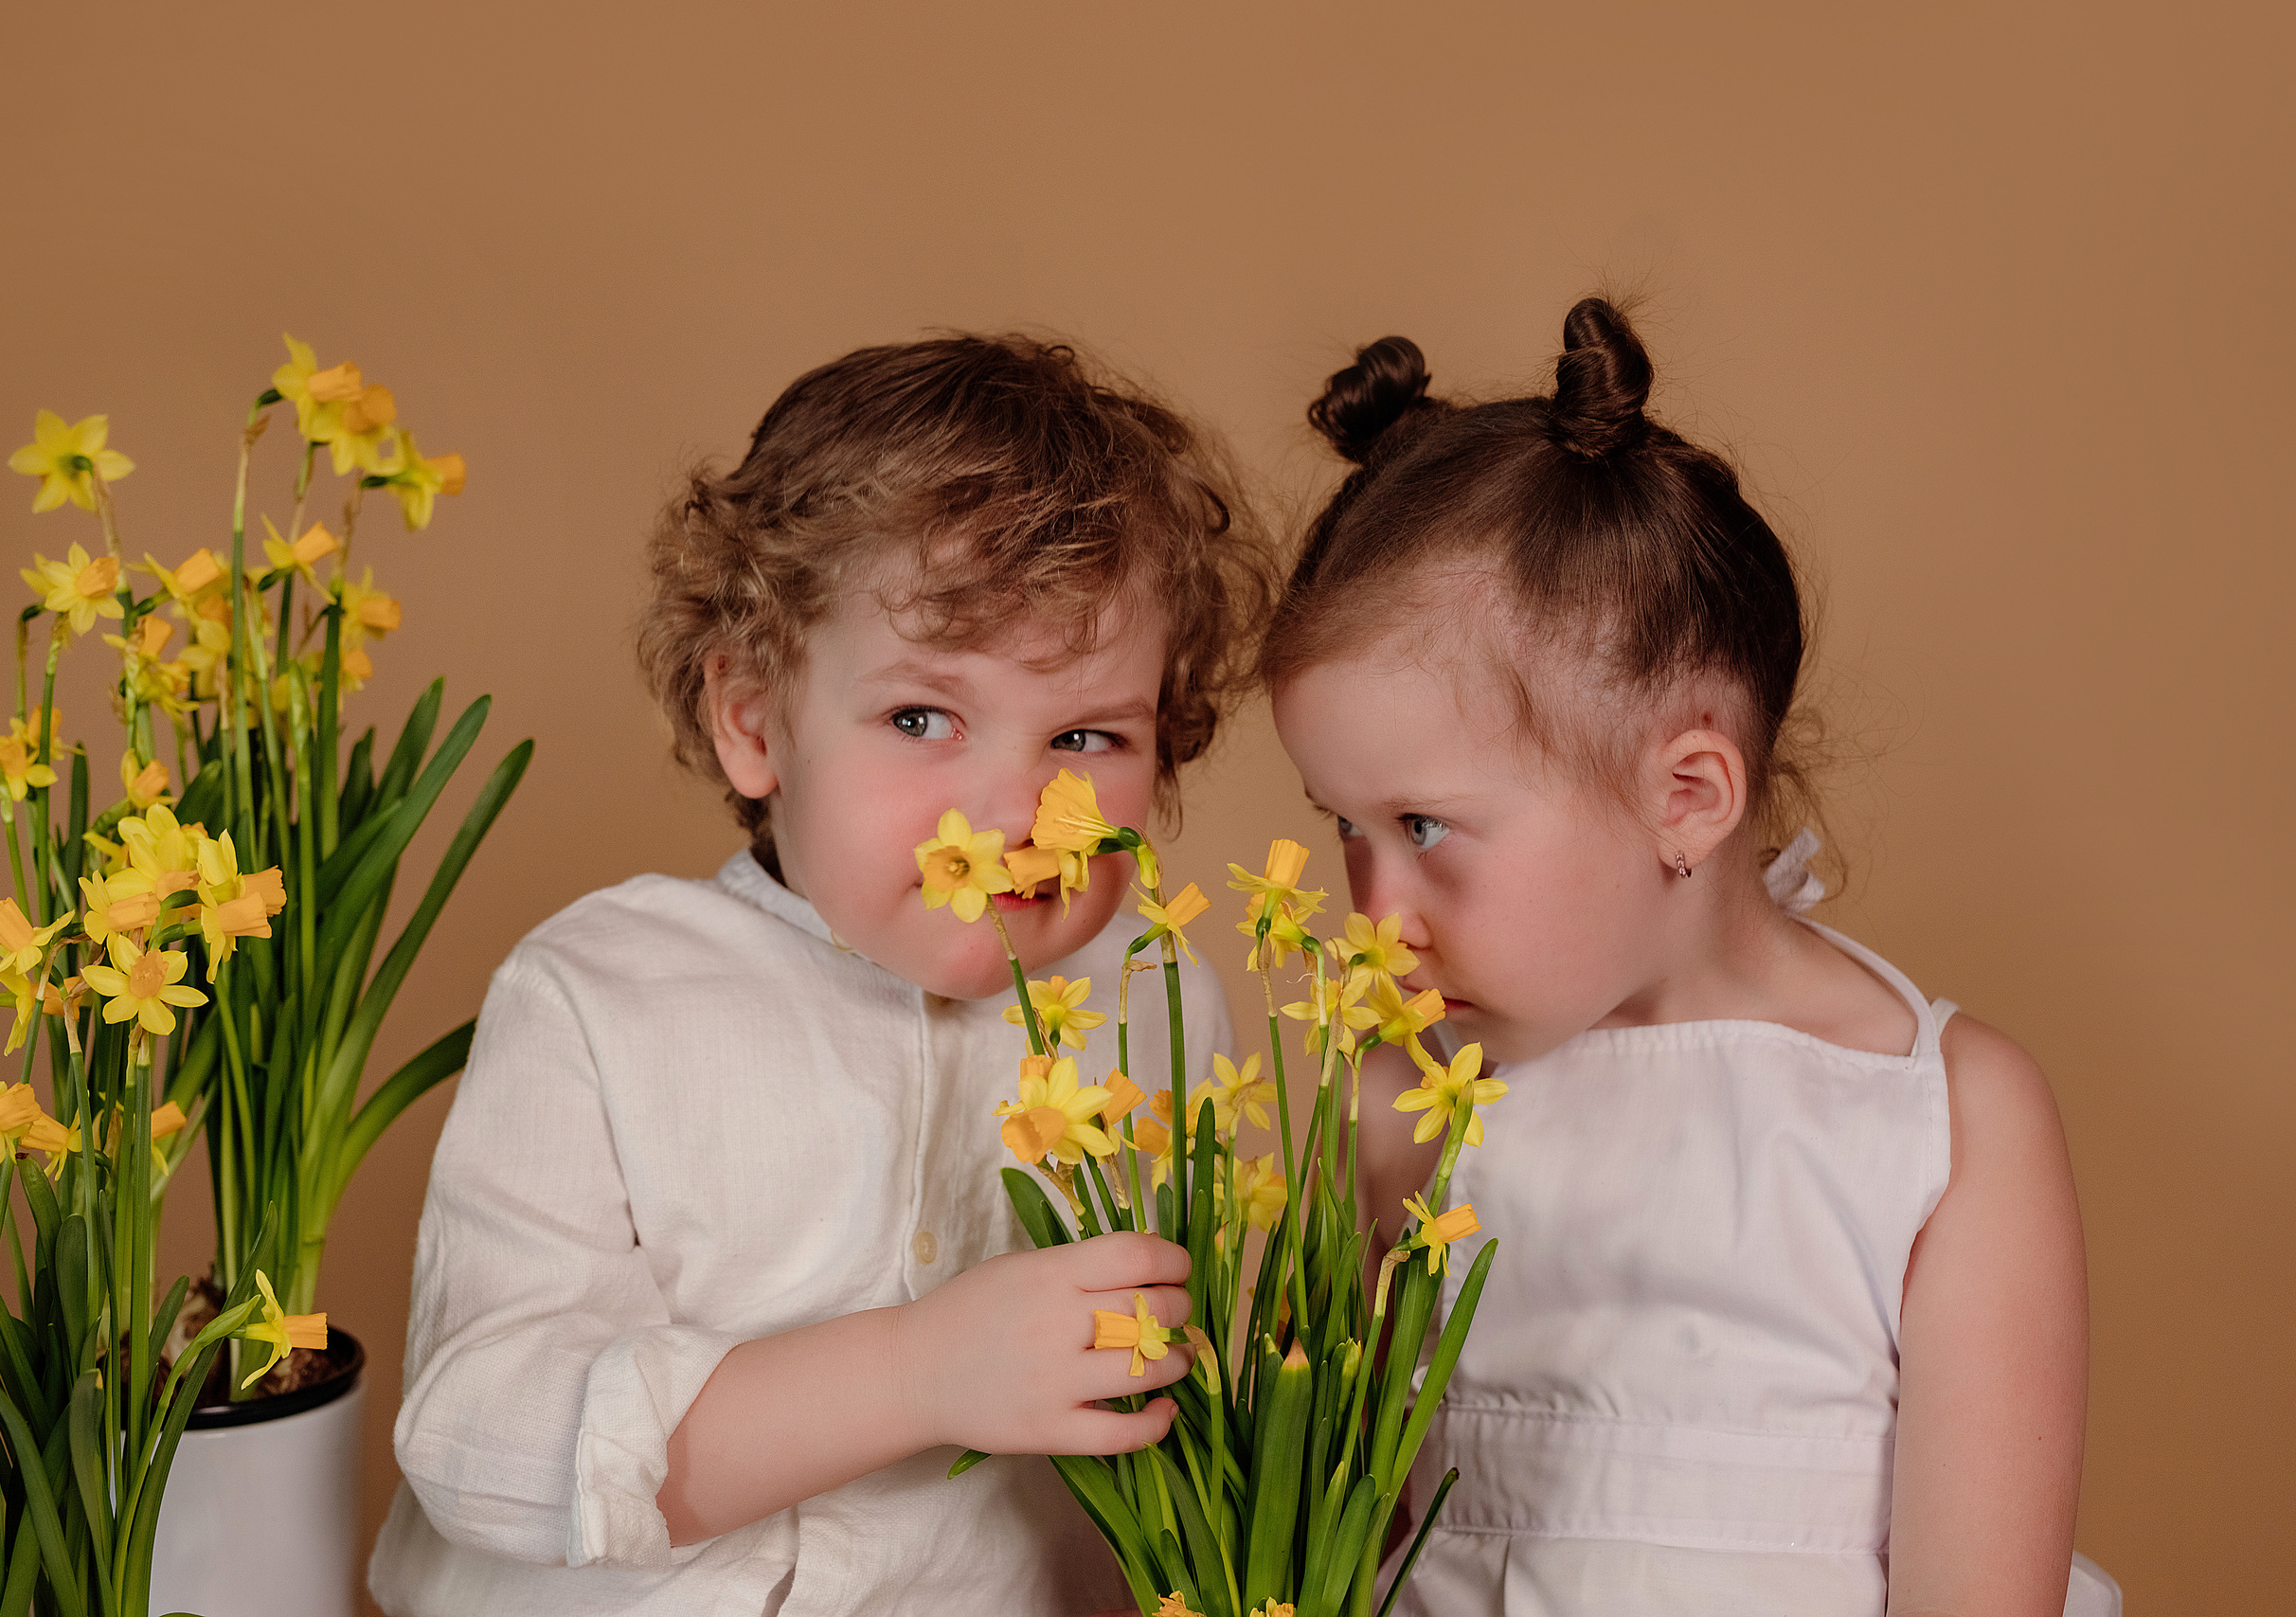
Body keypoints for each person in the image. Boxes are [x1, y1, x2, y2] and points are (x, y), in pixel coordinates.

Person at [368, 334, 1274, 1615]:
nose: (1013, 808)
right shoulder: (599, 996)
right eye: (921, 718)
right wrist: (918, 1373)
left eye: (1086, 735)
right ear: (753, 720)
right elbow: (484, 1444)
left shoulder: (1157, 997)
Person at [1263, 302, 2122, 1615]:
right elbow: (1330, 1542)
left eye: (1429, 827)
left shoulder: (1944, 1124)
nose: (1378, 917)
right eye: (1347, 829)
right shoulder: (1404, 1100)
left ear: (1688, 797)